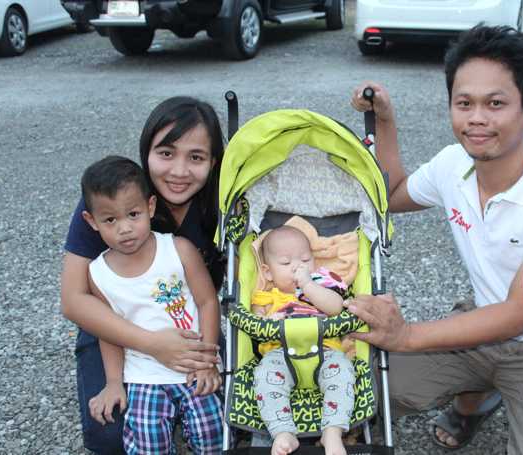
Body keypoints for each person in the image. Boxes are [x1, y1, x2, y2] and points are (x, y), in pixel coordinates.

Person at [347, 25, 523, 455]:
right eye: (464, 103)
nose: (476, 118)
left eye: (495, 103)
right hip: (478, 332)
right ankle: (479, 394)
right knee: (353, 388)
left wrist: (407, 336)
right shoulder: (453, 164)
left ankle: (484, 394)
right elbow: (391, 196)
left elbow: (518, 315)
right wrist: (385, 120)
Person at [60, 97, 226, 454]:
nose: (179, 171)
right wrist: (151, 345)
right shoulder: (111, 199)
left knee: (231, 412)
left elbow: (211, 298)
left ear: (213, 162)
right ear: (146, 150)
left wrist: (207, 357)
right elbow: (73, 300)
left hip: (191, 323)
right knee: (110, 433)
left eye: (196, 157)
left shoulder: (223, 205)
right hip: (117, 323)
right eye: (166, 153)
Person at [251, 226, 355, 455]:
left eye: (305, 260)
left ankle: (332, 432)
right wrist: (269, 320)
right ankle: (283, 432)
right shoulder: (266, 297)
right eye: (286, 263)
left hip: (325, 352)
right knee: (264, 376)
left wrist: (308, 285)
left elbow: (336, 308)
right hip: (281, 356)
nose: (298, 267)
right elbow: (256, 327)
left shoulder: (321, 288)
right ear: (268, 273)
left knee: (344, 373)